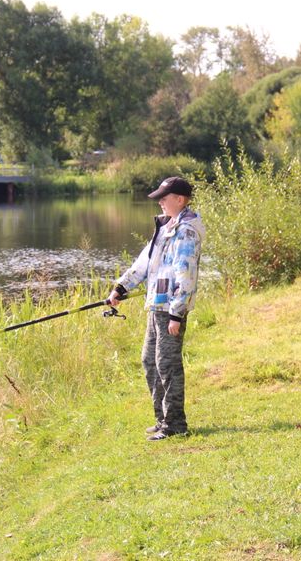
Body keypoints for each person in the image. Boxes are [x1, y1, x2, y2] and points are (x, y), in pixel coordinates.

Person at [108, 176, 205, 441]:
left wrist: (177, 313)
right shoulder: (166, 227)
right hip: (155, 306)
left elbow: (186, 275)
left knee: (167, 364)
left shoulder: (187, 231)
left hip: (170, 310)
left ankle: (175, 424)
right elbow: (144, 263)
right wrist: (120, 288)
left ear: (180, 200)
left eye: (164, 197)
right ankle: (162, 419)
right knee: (149, 360)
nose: (160, 202)